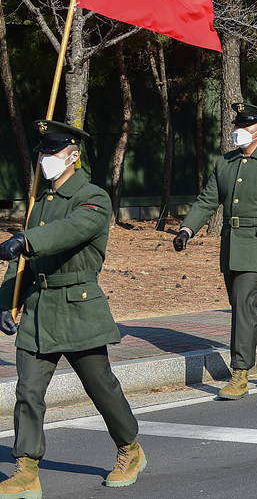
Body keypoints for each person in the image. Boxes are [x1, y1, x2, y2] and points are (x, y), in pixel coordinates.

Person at [0, 121, 145, 496]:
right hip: (39, 307)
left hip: (78, 306)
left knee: (101, 388)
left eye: (53, 152)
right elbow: (24, 266)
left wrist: (25, 239)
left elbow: (68, 232)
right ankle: (26, 468)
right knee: (28, 392)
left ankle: (129, 448)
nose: (46, 159)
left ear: (73, 155)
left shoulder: (93, 198)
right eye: (43, 152)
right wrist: (4, 301)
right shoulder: (40, 202)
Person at [173, 102, 257, 400]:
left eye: (244, 127)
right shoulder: (225, 163)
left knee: (243, 301)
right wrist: (187, 229)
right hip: (232, 244)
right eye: (236, 126)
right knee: (243, 305)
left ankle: (240, 374)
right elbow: (208, 200)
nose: (237, 132)